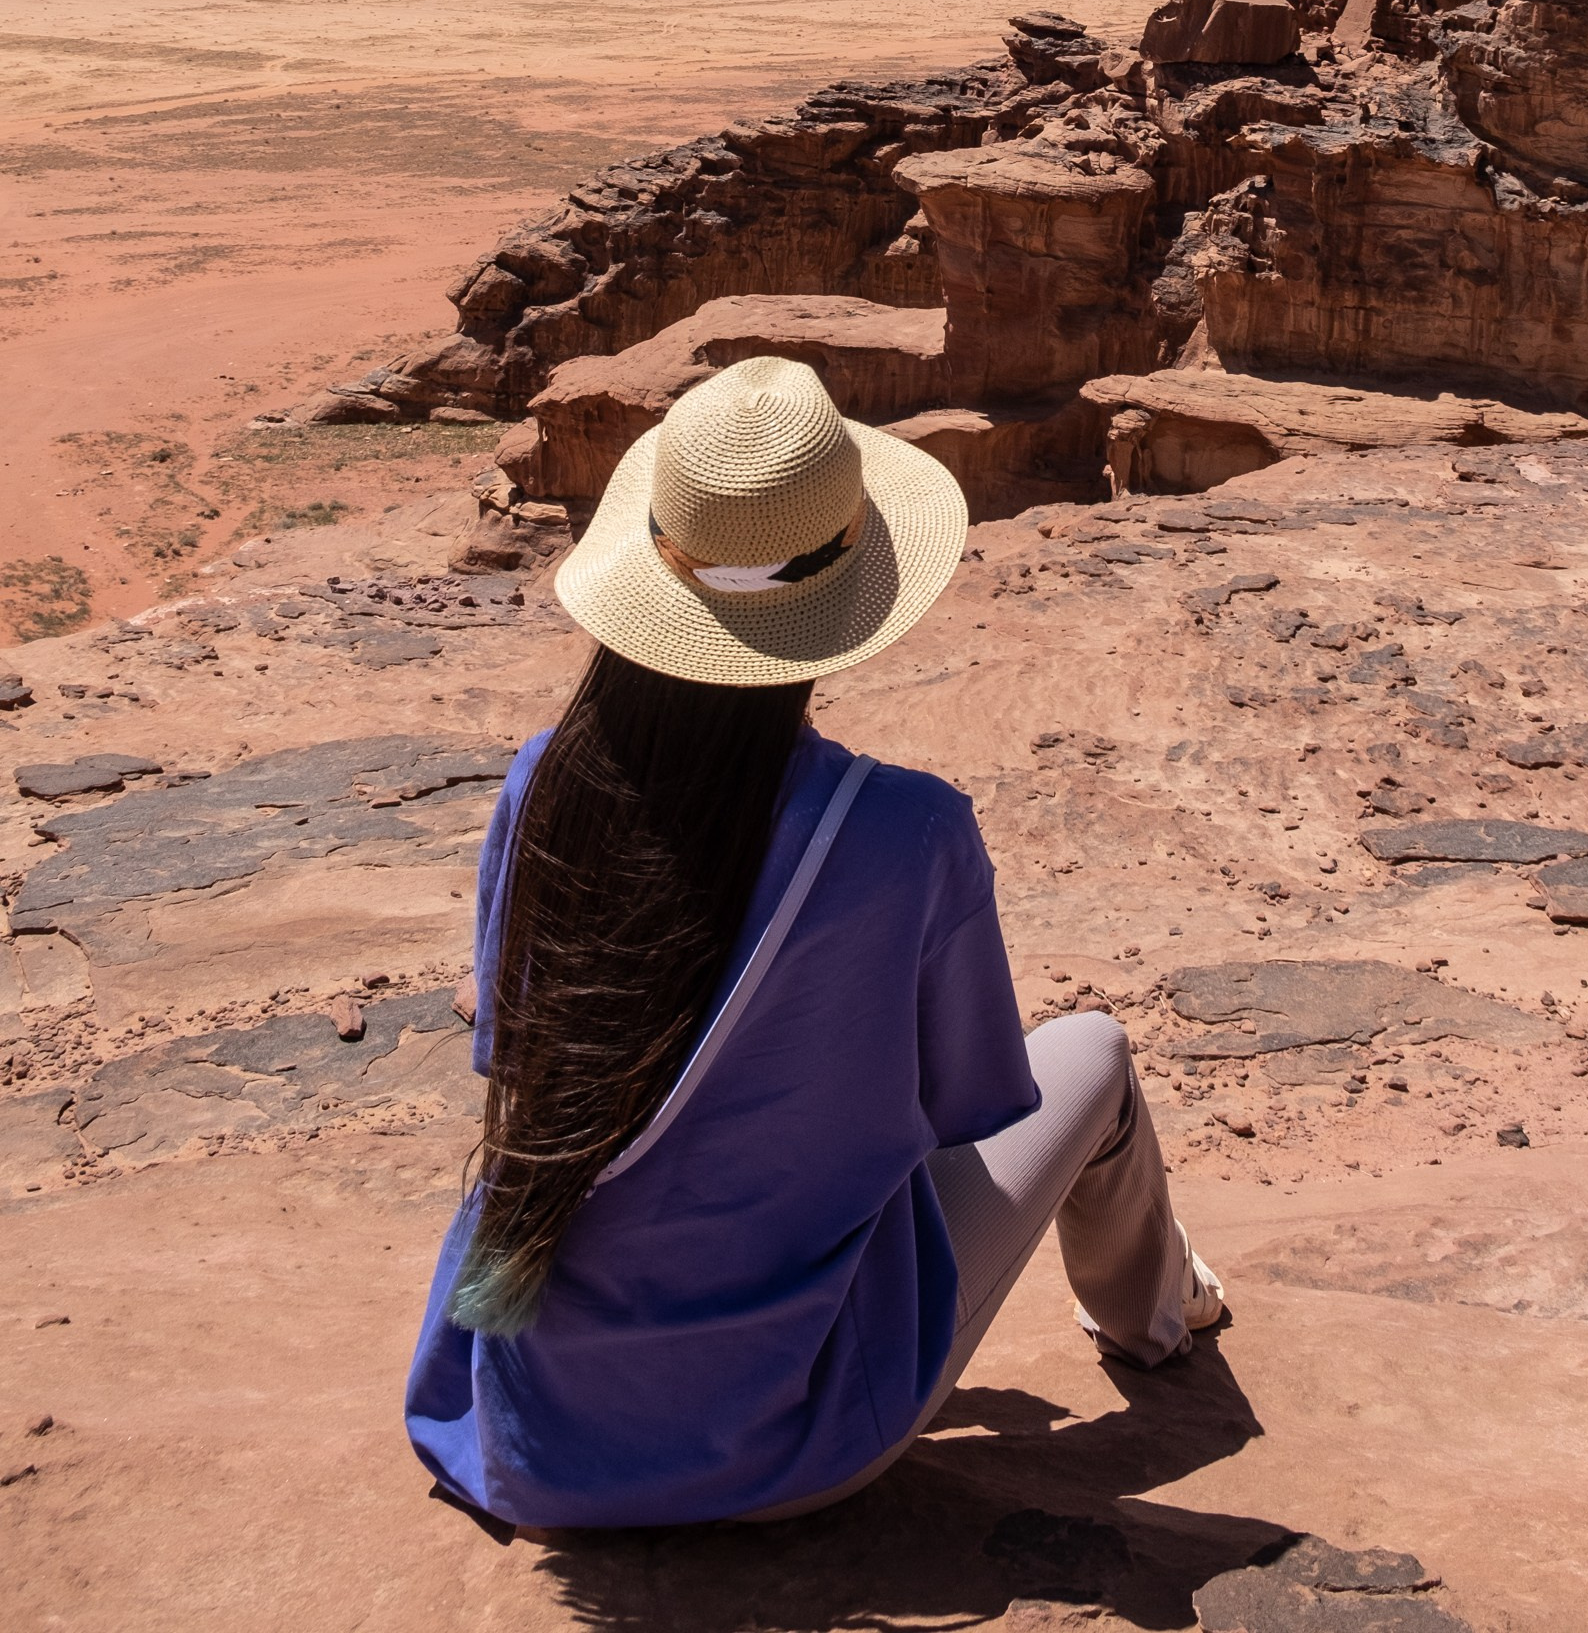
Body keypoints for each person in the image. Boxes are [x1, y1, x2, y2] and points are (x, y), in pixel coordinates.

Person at [405, 352, 1224, 1530]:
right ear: (845, 600)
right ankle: (1160, 1321)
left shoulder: (547, 785)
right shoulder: (906, 831)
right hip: (789, 1443)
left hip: (534, 1434)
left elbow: (513, 1052)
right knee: (1092, 1053)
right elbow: (967, 1108)